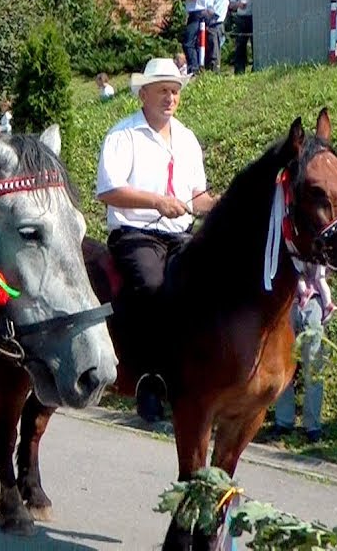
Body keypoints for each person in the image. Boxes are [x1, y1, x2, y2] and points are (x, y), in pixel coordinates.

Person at [95, 58, 218, 422]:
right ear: (143, 95)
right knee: (152, 286)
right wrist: (157, 202)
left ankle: (193, 375)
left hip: (180, 234)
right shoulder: (123, 135)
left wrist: (218, 204)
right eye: (163, 90)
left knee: (205, 288)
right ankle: (147, 377)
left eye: (175, 91)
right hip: (135, 233)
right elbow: (109, 191)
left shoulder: (187, 138)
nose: (170, 97)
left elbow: (197, 196)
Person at [271, 267, 333, 444]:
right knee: (285, 366)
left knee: (313, 369)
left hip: (313, 302)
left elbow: (327, 269)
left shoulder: (319, 243)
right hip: (286, 302)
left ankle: (312, 426)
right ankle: (283, 422)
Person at [228, 0, 264, 74]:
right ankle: (239, 72)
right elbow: (230, 4)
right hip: (242, 18)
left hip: (257, 18)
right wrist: (238, 4)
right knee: (240, 46)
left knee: (257, 46)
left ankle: (257, 70)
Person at [183, 0, 215, 72]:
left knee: (188, 42)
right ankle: (199, 65)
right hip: (207, 12)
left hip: (197, 13)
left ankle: (194, 68)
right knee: (199, 42)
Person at [206, 0, 229, 72]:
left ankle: (215, 72)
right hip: (208, 25)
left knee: (214, 51)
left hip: (215, 26)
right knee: (208, 50)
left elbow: (216, 14)